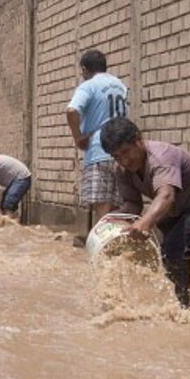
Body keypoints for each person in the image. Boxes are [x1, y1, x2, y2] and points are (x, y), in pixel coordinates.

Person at [100, 117, 190, 308]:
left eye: (126, 152)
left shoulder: (161, 156)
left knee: (174, 251)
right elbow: (133, 204)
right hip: (177, 210)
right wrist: (113, 219)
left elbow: (166, 196)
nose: (124, 160)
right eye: (116, 156)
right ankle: (168, 302)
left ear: (138, 140)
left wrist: (145, 223)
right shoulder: (122, 170)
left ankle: (181, 308)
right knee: (159, 253)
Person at [65, 49, 130, 243]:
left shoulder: (89, 86)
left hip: (99, 150)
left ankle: (102, 248)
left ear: (84, 69)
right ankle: (116, 246)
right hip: (124, 151)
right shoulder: (120, 85)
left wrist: (78, 137)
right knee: (118, 205)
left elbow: (71, 110)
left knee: (102, 205)